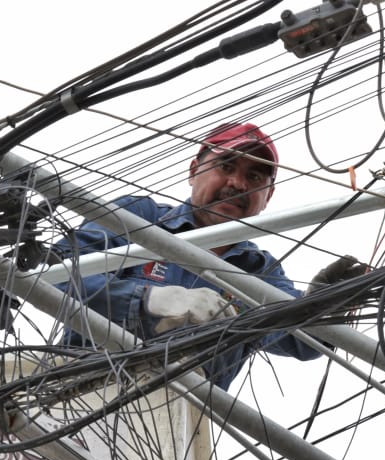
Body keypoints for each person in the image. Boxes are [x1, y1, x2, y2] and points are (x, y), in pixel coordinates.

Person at [53, 122, 363, 390]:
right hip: (73, 395)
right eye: (226, 166)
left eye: (255, 178)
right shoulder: (139, 219)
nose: (237, 184)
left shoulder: (259, 272)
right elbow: (56, 275)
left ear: (267, 197)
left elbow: (299, 340)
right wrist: (149, 300)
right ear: (193, 171)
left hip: (177, 430)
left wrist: (324, 304)